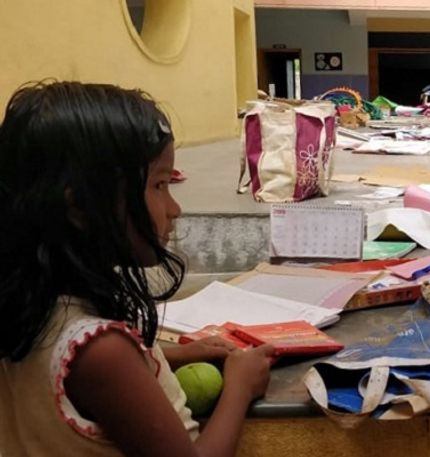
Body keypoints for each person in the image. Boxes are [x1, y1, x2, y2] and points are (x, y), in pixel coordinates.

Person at [0, 81, 273, 456]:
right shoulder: (101, 353)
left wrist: (171, 355)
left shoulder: (32, 303)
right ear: (80, 206)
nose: (175, 209)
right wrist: (240, 387)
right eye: (160, 185)